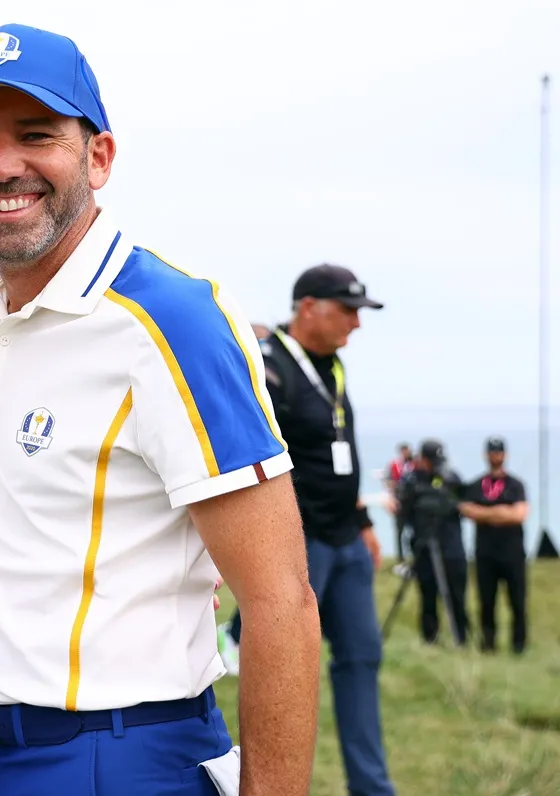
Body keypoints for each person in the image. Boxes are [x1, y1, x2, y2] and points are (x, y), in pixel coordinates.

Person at [0, 24, 321, 796]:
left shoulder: (172, 318)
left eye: (35, 134)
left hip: (117, 755)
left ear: (98, 156)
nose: (1, 165)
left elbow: (281, 602)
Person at [250, 264, 398, 795]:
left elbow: (338, 453)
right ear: (308, 307)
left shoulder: (333, 366)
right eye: (348, 311)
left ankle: (372, 788)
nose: (356, 323)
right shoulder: (269, 365)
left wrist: (363, 521)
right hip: (300, 545)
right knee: (285, 675)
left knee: (362, 658)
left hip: (346, 540)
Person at [396, 439, 470, 647]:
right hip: (424, 547)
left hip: (451, 547)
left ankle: (461, 637)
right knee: (428, 595)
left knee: (456, 594)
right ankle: (430, 637)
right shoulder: (412, 482)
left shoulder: (451, 479)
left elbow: (462, 506)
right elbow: (405, 513)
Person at [459, 436, 529, 654]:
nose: (495, 456)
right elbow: (467, 510)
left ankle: (519, 646)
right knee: (486, 602)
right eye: (492, 452)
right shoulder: (476, 485)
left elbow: (519, 514)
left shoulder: (515, 485)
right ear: (486, 455)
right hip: (485, 553)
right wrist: (501, 511)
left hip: (513, 553)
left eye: (498, 452)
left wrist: (485, 513)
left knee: (517, 602)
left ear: (505, 455)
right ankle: (488, 645)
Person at [384, 443, 415, 563]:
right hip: (399, 501)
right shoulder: (394, 465)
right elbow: (389, 481)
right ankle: (400, 558)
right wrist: (391, 498)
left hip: (413, 502)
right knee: (399, 531)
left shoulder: (415, 464)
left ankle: (415, 555)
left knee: (415, 529)